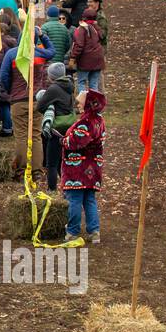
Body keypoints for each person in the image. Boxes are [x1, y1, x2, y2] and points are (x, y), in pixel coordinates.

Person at [0, 25, 55, 176]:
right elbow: (52, 51)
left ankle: (22, 169)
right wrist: (42, 35)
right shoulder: (40, 53)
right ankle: (36, 170)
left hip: (18, 101)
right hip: (37, 100)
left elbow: (3, 76)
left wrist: (10, 91)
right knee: (36, 136)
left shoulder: (11, 54)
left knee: (22, 136)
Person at [61, 89, 106, 244]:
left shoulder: (86, 122)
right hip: (94, 168)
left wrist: (64, 140)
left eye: (80, 102)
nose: (78, 105)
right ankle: (94, 232)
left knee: (74, 199)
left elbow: (76, 142)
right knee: (89, 199)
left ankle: (72, 232)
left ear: (88, 103)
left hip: (78, 168)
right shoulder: (99, 120)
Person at [36, 62, 75, 192]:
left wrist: (49, 107)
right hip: (68, 129)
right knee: (61, 162)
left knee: (51, 163)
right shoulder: (69, 85)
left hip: (57, 129)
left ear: (52, 76)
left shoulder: (53, 89)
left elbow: (40, 106)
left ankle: (51, 191)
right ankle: (67, 187)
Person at [69, 9, 105, 92]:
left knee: (81, 82)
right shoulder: (96, 27)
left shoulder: (81, 28)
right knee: (94, 84)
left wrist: (73, 58)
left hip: (85, 61)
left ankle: (83, 103)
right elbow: (102, 38)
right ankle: (93, 103)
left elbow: (79, 45)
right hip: (98, 59)